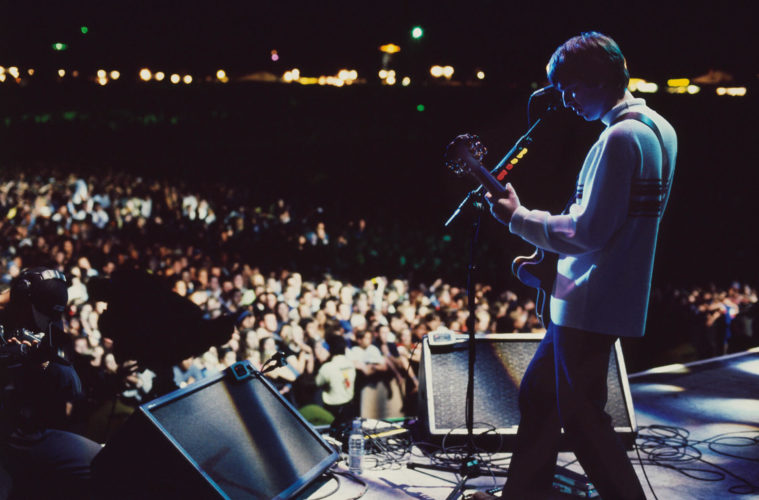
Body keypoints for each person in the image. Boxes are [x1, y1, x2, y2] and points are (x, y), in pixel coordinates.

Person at [474, 32, 677, 500]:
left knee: (583, 419)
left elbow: (587, 232)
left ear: (598, 79)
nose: (565, 100)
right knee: (540, 396)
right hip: (607, 293)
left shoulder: (619, 138)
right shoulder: (660, 129)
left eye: (570, 88)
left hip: (588, 299)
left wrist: (517, 218)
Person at [0, 267, 102, 499]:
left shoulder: (47, 320)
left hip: (28, 431)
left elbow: (73, 386)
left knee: (101, 462)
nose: (40, 325)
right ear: (21, 296)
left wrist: (43, 363)